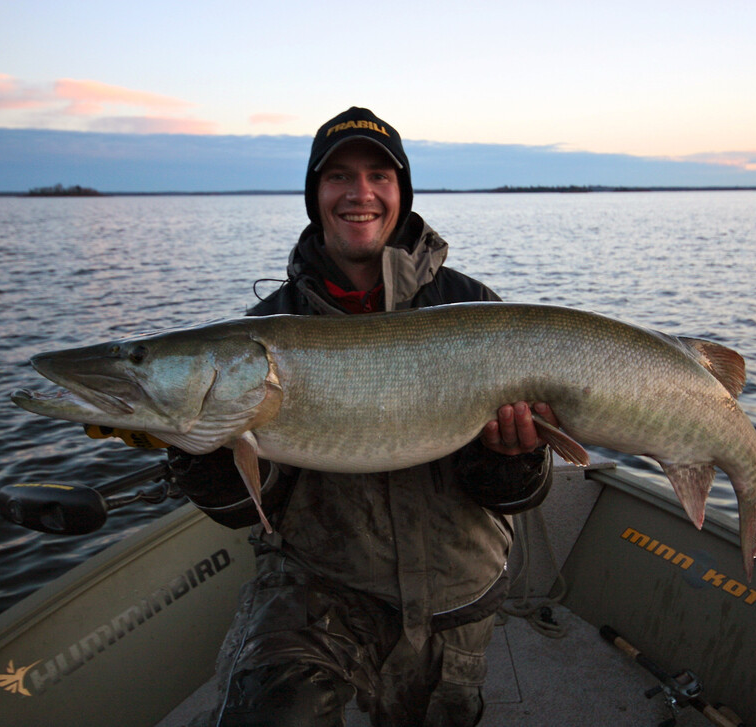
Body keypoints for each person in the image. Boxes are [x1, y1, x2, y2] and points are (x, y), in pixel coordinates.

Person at [168, 107, 557, 727]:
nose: (360, 193)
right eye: (338, 177)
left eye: (380, 175)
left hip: (455, 590)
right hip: (321, 592)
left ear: (401, 193)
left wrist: (514, 455)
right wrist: (199, 452)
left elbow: (515, 495)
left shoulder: (471, 306)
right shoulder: (265, 332)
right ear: (314, 194)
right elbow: (250, 509)